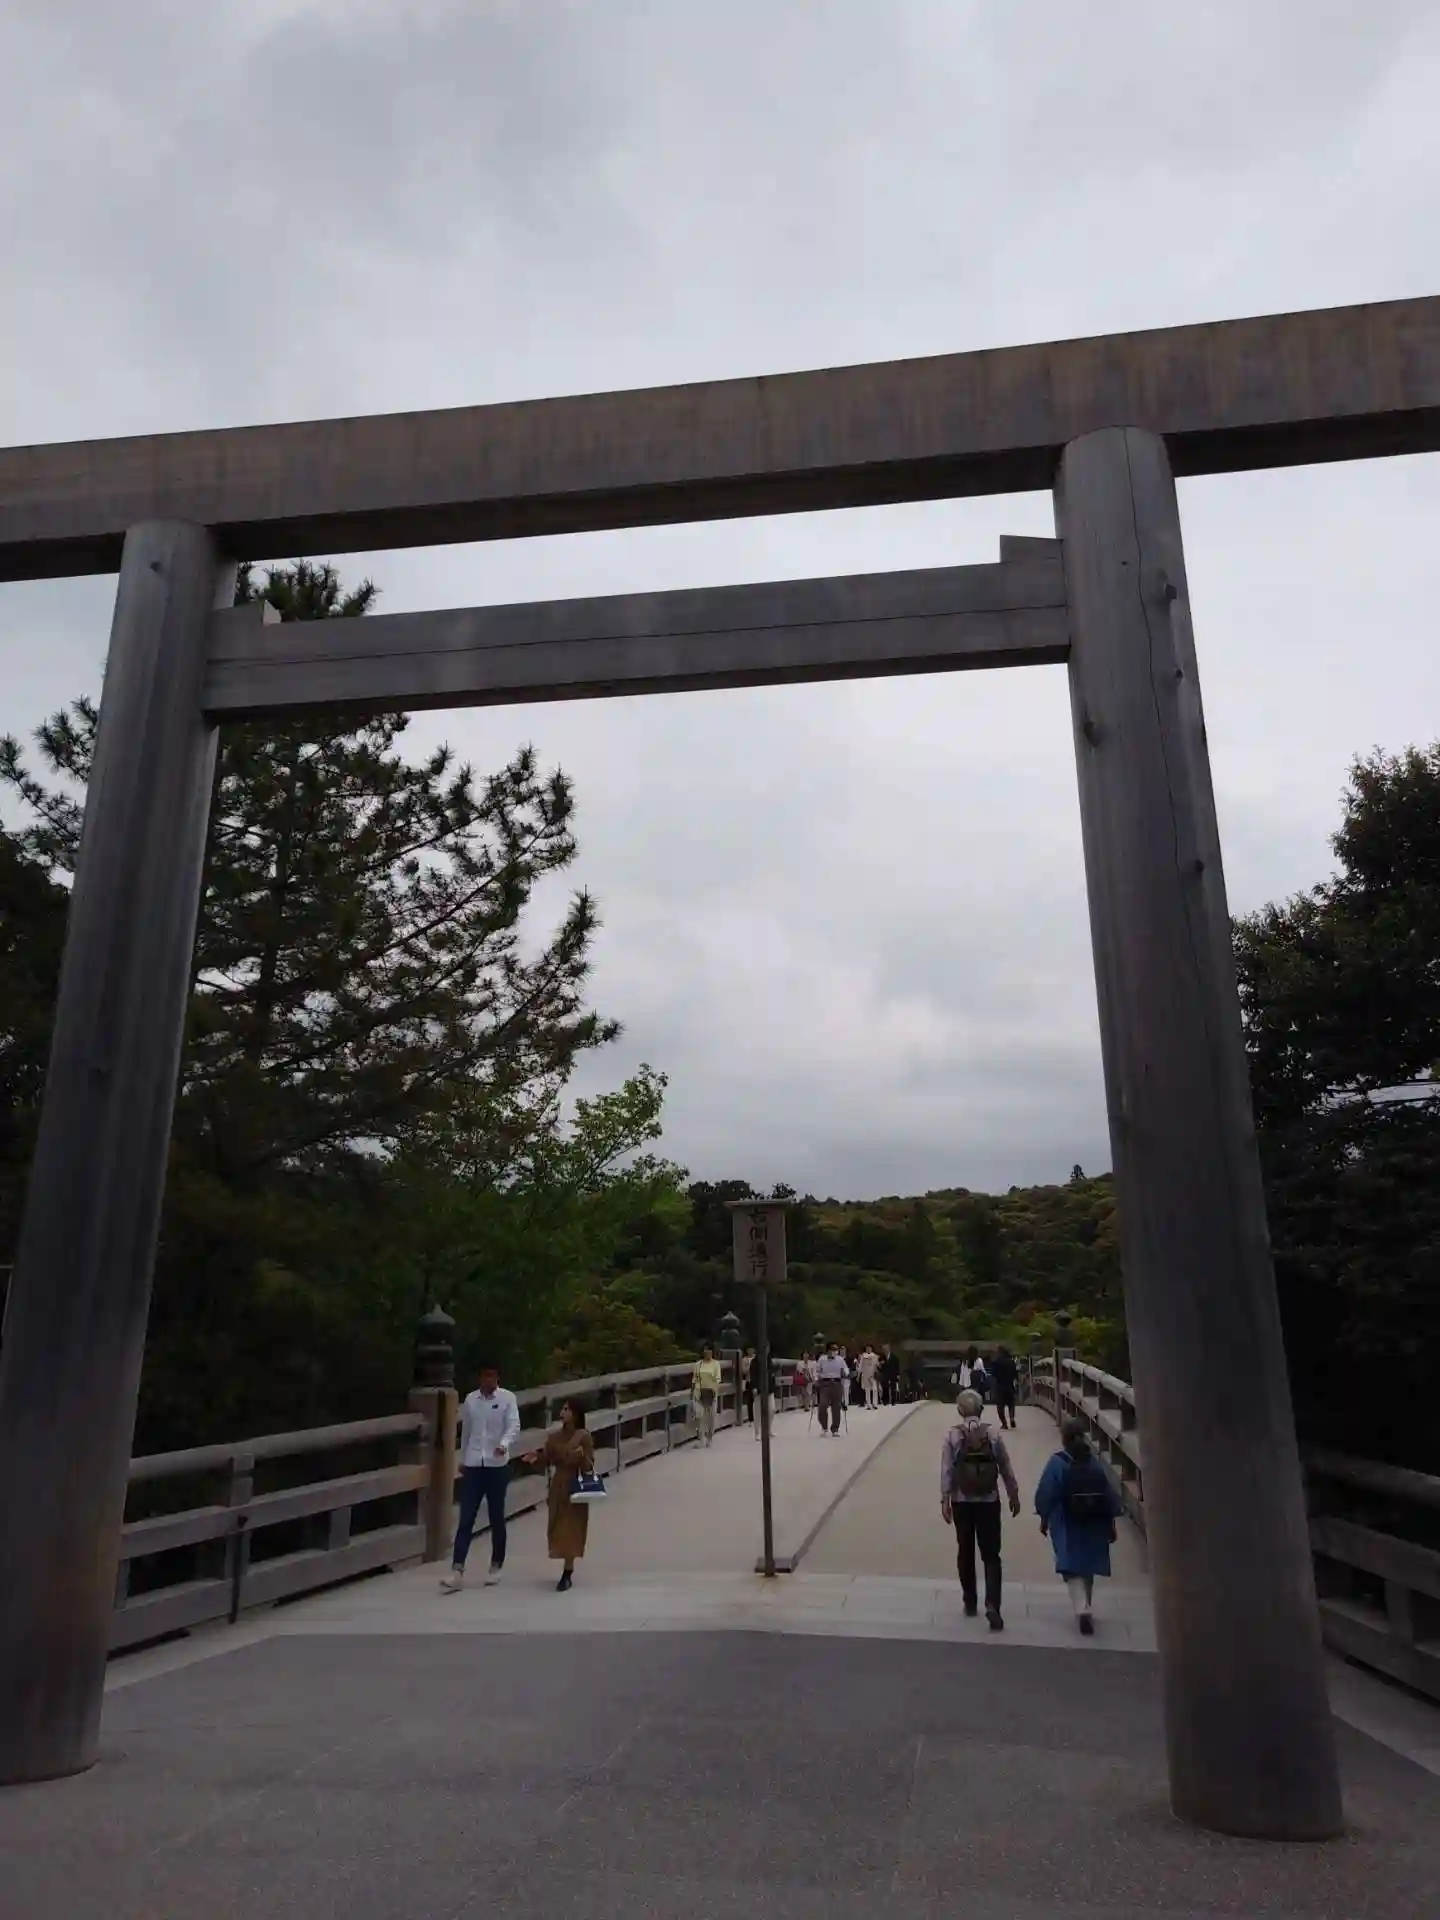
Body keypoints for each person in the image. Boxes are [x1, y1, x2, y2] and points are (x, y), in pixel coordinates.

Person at [1034, 1415, 1124, 1635]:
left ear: (1063, 1438)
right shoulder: (1093, 1462)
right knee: (1087, 1565)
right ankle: (1087, 1604)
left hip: (1067, 1520)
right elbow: (1108, 1493)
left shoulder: (1058, 1462)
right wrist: (1111, 1522)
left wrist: (1044, 1516)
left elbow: (1046, 1493)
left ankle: (1082, 1608)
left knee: (1071, 1566)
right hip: (1094, 1520)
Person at [940, 1388, 1020, 1630]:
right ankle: (993, 1604)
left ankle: (970, 1600)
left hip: (961, 1500)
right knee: (991, 1554)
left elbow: (947, 1470)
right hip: (989, 1499)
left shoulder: (953, 1435)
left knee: (965, 1550)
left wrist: (945, 1499)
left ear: (959, 1411)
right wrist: (1013, 1493)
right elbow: (1005, 1466)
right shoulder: (993, 1434)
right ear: (982, 1409)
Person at [440, 1362, 521, 1592]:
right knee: (466, 1517)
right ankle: (457, 1569)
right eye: (486, 1376)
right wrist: (463, 1458)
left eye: (493, 1376)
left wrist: (504, 1444)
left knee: (496, 1517)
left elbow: (514, 1425)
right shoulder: (471, 1400)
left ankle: (496, 1564)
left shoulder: (507, 1398)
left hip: (497, 1465)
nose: (489, 1380)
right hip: (475, 1464)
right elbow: (466, 1431)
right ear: (480, 1378)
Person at [522, 1397, 596, 1592]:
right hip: (558, 1486)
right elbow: (547, 1459)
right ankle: (565, 1564)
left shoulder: (583, 1437)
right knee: (556, 1527)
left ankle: (567, 1572)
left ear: (576, 1414)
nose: (562, 1413)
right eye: (562, 1409)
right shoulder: (554, 1437)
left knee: (571, 1529)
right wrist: (536, 1457)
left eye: (567, 1409)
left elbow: (589, 1465)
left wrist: (581, 1456)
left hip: (575, 1486)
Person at [814, 1342, 848, 1435]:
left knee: (836, 1407)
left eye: (836, 1349)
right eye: (833, 1349)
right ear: (828, 1350)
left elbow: (845, 1369)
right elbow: (817, 1371)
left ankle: (835, 1429)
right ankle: (824, 1426)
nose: (835, 1351)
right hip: (825, 1384)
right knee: (822, 1405)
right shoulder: (822, 1359)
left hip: (836, 1383)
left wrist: (845, 1373)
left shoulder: (840, 1359)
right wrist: (816, 1379)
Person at [692, 1346, 722, 1446]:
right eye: (706, 1351)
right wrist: (693, 1391)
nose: (707, 1353)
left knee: (711, 1416)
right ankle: (701, 1438)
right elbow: (694, 1379)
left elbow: (718, 1379)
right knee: (699, 1415)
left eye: (709, 1351)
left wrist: (714, 1389)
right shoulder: (698, 1364)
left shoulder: (716, 1364)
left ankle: (709, 1436)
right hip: (699, 1391)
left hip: (711, 1392)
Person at [990, 1346, 1019, 1429]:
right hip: (1009, 1385)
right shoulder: (1011, 1362)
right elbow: (1015, 1374)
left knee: (1000, 1407)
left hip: (1000, 1386)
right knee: (1011, 1404)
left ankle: (1004, 1423)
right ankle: (1012, 1418)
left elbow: (993, 1374)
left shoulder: (997, 1362)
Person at [858, 1343, 880, 1409]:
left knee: (874, 1389)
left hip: (872, 1375)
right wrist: (858, 1376)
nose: (868, 1349)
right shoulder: (863, 1356)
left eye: (869, 1348)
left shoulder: (874, 1356)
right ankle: (868, 1404)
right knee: (867, 1390)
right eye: (867, 1348)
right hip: (865, 1375)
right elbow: (860, 1367)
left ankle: (875, 1404)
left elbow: (877, 1365)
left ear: (871, 1349)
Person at [741, 1347, 756, 1424]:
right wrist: (750, 1365)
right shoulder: (744, 1360)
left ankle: (758, 1416)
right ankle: (751, 1419)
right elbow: (744, 1371)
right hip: (749, 1381)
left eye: (752, 1349)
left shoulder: (756, 1358)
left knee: (757, 1400)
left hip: (756, 1381)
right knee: (750, 1401)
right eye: (749, 1349)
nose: (750, 1351)